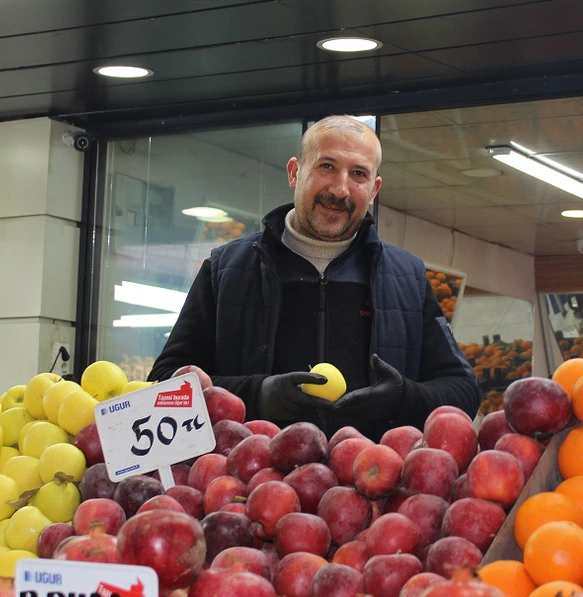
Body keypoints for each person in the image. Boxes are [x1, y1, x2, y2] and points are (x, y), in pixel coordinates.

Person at [150, 115, 480, 437]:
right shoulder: (226, 269)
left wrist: (402, 399)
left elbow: (463, 392)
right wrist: (256, 395)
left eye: (359, 174)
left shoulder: (406, 277)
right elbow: (164, 386)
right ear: (295, 172)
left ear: (375, 189)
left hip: (374, 483)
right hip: (252, 483)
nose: (340, 189)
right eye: (327, 167)